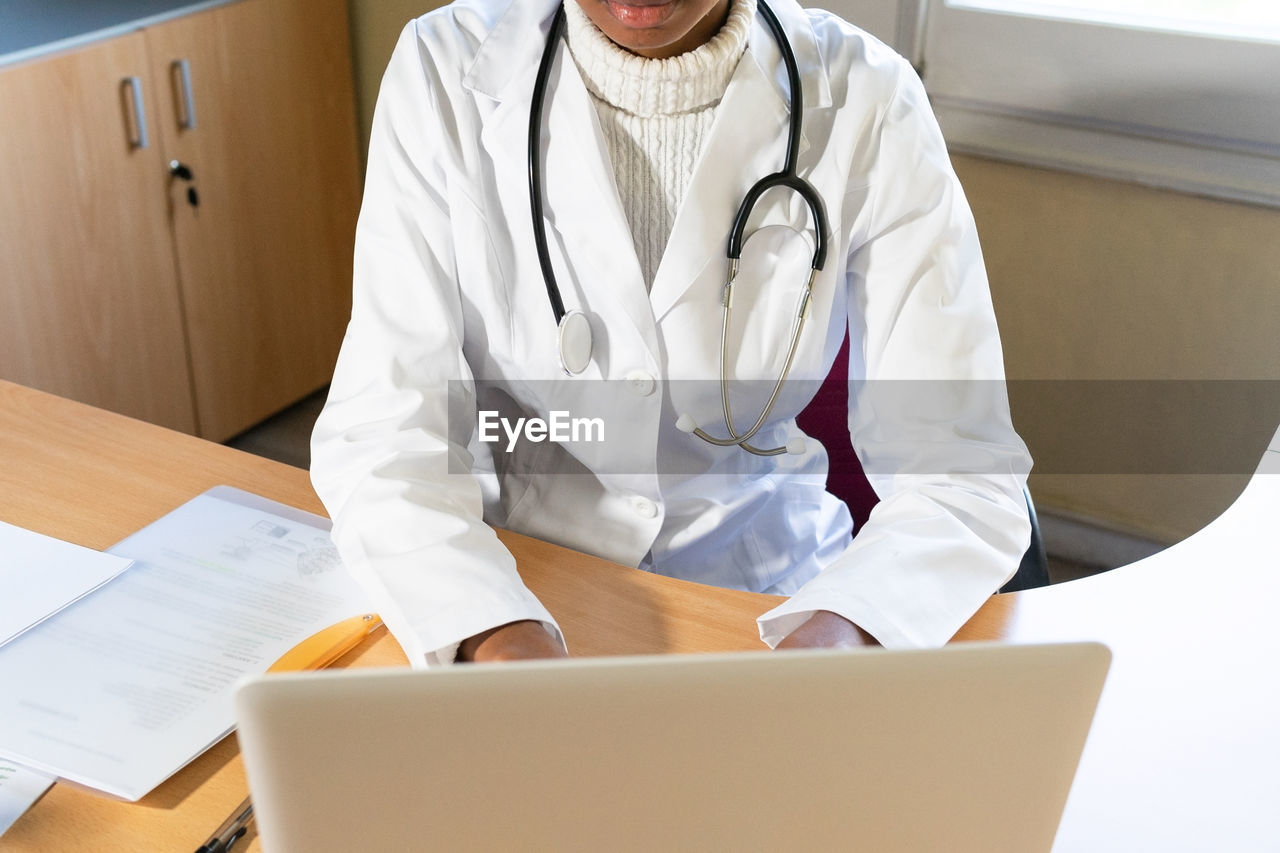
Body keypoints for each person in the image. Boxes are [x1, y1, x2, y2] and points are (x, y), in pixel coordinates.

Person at [311, 0, 1033, 664]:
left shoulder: (872, 98)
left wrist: (845, 629)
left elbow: (961, 468)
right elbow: (384, 437)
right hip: (520, 587)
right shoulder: (443, 70)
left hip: (771, 601)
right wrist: (492, 633)